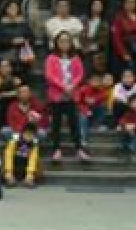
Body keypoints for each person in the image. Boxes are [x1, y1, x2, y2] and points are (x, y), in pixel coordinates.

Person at [45, 31, 87, 162]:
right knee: (56, 123)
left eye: (67, 41)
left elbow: (80, 74)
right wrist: (64, 87)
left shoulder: (75, 58)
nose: (64, 43)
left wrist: (72, 85)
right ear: (57, 43)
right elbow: (50, 75)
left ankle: (79, 149)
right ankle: (56, 150)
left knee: (74, 122)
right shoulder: (51, 58)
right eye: (61, 41)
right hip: (57, 95)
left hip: (71, 94)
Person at [0, 0, 35, 76]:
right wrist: (11, 41)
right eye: (11, 8)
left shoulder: (23, 23)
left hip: (23, 56)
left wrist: (24, 40)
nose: (13, 10)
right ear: (6, 9)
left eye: (15, 8)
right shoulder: (1, 24)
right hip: (6, 55)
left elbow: (31, 37)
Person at [76, 72, 110, 146]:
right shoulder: (83, 89)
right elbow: (78, 103)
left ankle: (97, 124)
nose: (96, 82)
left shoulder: (102, 90)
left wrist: (94, 99)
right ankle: (83, 138)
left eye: (98, 81)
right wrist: (86, 110)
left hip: (95, 111)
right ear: (89, 81)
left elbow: (104, 96)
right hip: (84, 111)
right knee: (82, 116)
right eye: (94, 80)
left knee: (103, 106)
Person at [2, 122, 40, 188]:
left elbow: (33, 159)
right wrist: (8, 172)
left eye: (31, 135)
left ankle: (29, 179)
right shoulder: (14, 140)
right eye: (27, 134)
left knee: (36, 161)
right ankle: (9, 177)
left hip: (26, 167)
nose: (28, 137)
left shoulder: (34, 143)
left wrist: (30, 174)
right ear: (23, 132)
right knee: (7, 155)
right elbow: (8, 155)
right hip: (14, 165)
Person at [0, 58, 22, 127]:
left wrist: (8, 94)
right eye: (2, 66)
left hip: (14, 106)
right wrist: (2, 95)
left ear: (11, 68)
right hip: (1, 108)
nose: (5, 69)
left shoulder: (16, 80)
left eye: (7, 66)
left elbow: (20, 93)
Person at [82, 0, 111, 75]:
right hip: (84, 55)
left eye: (99, 5)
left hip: (98, 55)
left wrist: (90, 48)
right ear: (91, 6)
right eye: (95, 4)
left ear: (102, 7)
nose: (97, 7)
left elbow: (103, 41)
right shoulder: (84, 20)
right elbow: (81, 36)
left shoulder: (104, 23)